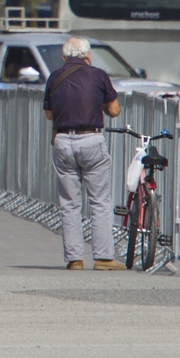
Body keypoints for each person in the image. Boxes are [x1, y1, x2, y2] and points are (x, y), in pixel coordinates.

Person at [43, 37, 127, 271]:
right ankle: (103, 258)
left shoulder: (54, 77)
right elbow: (114, 110)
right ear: (88, 56)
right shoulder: (99, 75)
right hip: (91, 140)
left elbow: (49, 115)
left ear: (63, 58)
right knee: (99, 201)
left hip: (62, 142)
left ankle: (74, 259)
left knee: (69, 203)